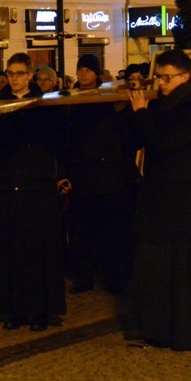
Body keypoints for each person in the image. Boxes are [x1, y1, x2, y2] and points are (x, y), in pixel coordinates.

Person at [127, 48, 191, 351]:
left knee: (179, 268)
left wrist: (141, 114)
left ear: (186, 77)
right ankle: (156, 329)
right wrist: (132, 114)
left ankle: (183, 332)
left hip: (177, 201)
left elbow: (164, 142)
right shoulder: (159, 106)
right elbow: (141, 139)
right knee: (154, 266)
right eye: (159, 76)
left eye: (167, 77)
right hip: (155, 196)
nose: (160, 83)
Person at [0, 52, 67, 332]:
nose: (14, 78)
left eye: (19, 73)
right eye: (10, 73)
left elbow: (54, 138)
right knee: (13, 248)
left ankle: (40, 310)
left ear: (30, 75)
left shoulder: (44, 103)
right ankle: (15, 309)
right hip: (12, 181)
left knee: (39, 248)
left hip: (38, 183)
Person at [65, 54, 135, 296]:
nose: (83, 73)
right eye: (80, 69)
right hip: (83, 174)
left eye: (87, 69)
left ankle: (113, 278)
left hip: (108, 174)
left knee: (111, 230)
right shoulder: (71, 100)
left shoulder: (108, 97)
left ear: (96, 73)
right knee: (83, 230)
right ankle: (84, 277)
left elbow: (122, 133)